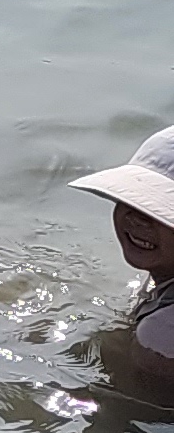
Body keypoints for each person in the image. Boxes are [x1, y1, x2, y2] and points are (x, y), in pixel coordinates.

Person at [67, 122, 174, 372]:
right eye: (131, 200)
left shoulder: (162, 336)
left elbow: (121, 410)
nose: (137, 218)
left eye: (158, 212)